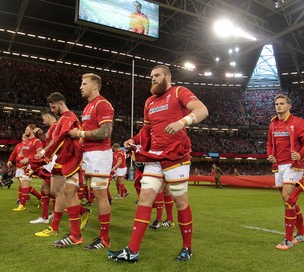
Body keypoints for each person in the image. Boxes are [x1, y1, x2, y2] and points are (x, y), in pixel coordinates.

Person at [107, 65, 208, 262]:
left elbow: (202, 110)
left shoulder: (179, 91)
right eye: (151, 76)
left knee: (180, 202)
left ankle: (187, 247)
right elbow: (147, 131)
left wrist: (182, 122)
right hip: (154, 157)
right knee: (145, 198)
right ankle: (132, 251)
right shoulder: (149, 102)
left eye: (157, 75)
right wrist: (134, 140)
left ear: (168, 77)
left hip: (176, 156)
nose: (153, 79)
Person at [68, 73, 114, 250]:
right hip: (86, 153)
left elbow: (105, 132)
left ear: (95, 86)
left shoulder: (102, 104)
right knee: (68, 189)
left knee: (100, 194)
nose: (81, 87)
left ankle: (104, 238)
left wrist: (80, 134)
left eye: (84, 83)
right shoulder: (88, 107)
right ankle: (75, 235)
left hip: (99, 154)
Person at [35, 92, 85, 247]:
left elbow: (59, 139)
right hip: (63, 159)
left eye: (53, 107)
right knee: (60, 192)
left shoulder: (68, 118)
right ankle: (70, 226)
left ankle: (60, 228)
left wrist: (44, 153)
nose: (53, 110)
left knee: (64, 192)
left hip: (71, 159)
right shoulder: (63, 119)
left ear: (61, 103)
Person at [266, 94, 304, 250]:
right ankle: (302, 234)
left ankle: (288, 239)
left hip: (293, 165)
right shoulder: (273, 124)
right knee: (289, 201)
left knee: (288, 199)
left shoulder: (298, 122)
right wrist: (270, 155)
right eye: (276, 104)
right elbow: (269, 143)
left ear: (289, 106)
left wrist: (300, 154)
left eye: (281, 104)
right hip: (278, 166)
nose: (278, 106)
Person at [12, 124, 43, 211]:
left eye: (27, 129)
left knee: (25, 184)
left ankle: (22, 205)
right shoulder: (25, 142)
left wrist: (28, 158)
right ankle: (41, 198)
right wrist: (20, 159)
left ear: (33, 130)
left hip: (32, 165)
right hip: (24, 166)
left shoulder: (37, 141)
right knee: (23, 185)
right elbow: (20, 155)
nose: (25, 130)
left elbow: (40, 155)